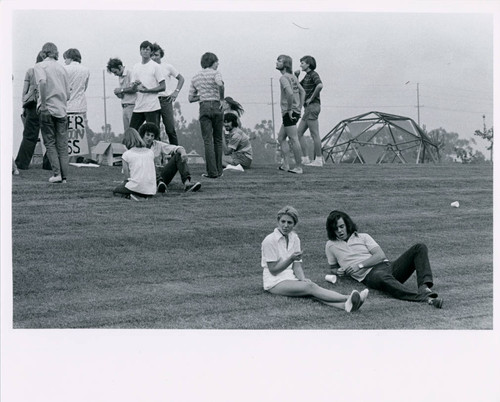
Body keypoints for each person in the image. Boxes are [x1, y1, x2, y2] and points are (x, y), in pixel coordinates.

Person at [324, 210, 444, 308]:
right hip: (369, 275)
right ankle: (425, 298)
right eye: (335, 228)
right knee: (381, 276)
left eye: (341, 226)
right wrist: (338, 271)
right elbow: (333, 268)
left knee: (419, 247)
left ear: (347, 224)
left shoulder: (363, 237)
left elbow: (380, 255)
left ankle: (423, 287)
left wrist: (359, 265)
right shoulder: (330, 245)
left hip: (388, 266)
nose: (339, 231)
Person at [261, 206, 368, 312]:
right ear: (278, 221)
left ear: (294, 224)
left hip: (290, 278)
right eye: (283, 221)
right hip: (274, 282)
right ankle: (349, 297)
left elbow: (297, 265)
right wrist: (291, 259)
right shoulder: (269, 240)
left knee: (312, 291)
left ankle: (345, 306)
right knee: (311, 287)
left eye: (289, 223)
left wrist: (302, 279)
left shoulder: (294, 238)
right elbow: (273, 270)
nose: (285, 226)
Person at [34, 42, 70, 183]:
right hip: (61, 109)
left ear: (44, 53)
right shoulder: (62, 69)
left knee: (49, 142)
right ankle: (64, 176)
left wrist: (43, 104)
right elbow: (68, 94)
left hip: (47, 108)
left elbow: (42, 82)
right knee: (62, 144)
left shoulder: (40, 66)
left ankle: (57, 174)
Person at [188, 52, 224, 179]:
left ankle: (211, 172)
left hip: (204, 107)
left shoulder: (195, 77)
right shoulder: (216, 73)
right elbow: (220, 84)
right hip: (216, 105)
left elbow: (190, 98)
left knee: (208, 141)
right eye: (217, 62)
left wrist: (202, 96)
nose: (218, 64)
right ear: (212, 62)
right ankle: (219, 170)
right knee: (218, 139)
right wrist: (222, 99)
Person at [138, 123, 201, 193]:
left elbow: (175, 148)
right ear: (143, 134)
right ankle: (158, 184)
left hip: (161, 175)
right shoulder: (136, 147)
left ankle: (187, 184)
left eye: (152, 136)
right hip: (146, 177)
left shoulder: (158, 144)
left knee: (178, 155)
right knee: (149, 162)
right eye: (147, 135)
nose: (149, 138)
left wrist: (183, 153)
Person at [275, 55, 305, 174]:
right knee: (281, 138)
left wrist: (290, 109)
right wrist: (299, 107)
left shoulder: (283, 78)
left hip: (289, 112)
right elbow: (302, 92)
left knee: (293, 139)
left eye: (279, 61)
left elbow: (290, 93)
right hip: (294, 111)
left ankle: (298, 167)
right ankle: (286, 164)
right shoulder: (293, 77)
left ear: (285, 64)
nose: (276, 63)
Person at [15, 51, 44, 170]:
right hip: (47, 104)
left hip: (32, 105)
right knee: (49, 136)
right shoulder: (50, 72)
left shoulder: (30, 71)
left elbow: (24, 92)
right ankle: (49, 164)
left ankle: (22, 163)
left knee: (29, 135)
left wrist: (24, 107)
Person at [151, 43, 184, 145]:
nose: (154, 57)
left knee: (170, 129)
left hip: (166, 100)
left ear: (161, 55)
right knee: (154, 130)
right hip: (153, 100)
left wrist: (176, 92)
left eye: (156, 55)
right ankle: (158, 157)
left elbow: (181, 78)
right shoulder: (149, 68)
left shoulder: (167, 67)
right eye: (152, 55)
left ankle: (176, 154)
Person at [129, 40, 166, 131]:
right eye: (143, 49)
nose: (145, 51)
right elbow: (133, 88)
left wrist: (147, 90)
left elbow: (163, 86)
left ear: (151, 52)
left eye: (147, 49)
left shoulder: (155, 66)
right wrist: (135, 85)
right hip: (139, 107)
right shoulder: (136, 67)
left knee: (153, 134)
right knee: (132, 132)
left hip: (152, 107)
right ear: (140, 51)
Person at [294, 55, 324, 167]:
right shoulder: (306, 76)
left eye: (302, 63)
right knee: (299, 133)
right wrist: (296, 76)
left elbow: (320, 85)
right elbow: (297, 88)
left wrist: (311, 98)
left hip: (313, 106)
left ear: (308, 64)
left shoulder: (313, 74)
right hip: (308, 108)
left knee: (314, 134)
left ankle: (319, 160)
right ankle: (306, 158)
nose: (300, 64)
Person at [113, 128, 156, 201]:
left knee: (116, 191)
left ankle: (133, 195)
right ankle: (143, 195)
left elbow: (126, 177)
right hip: (151, 189)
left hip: (137, 187)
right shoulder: (150, 152)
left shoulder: (126, 155)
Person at [107, 58, 137, 131]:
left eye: (115, 72)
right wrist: (118, 93)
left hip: (132, 105)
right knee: (127, 132)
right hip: (124, 106)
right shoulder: (120, 76)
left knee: (133, 131)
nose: (115, 74)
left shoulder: (130, 73)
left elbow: (134, 89)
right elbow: (123, 94)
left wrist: (121, 90)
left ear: (120, 67)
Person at [63, 48, 90, 117]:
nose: (65, 61)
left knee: (66, 127)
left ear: (70, 58)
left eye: (65, 59)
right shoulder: (86, 70)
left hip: (66, 107)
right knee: (80, 128)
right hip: (81, 106)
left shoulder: (64, 69)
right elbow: (84, 88)